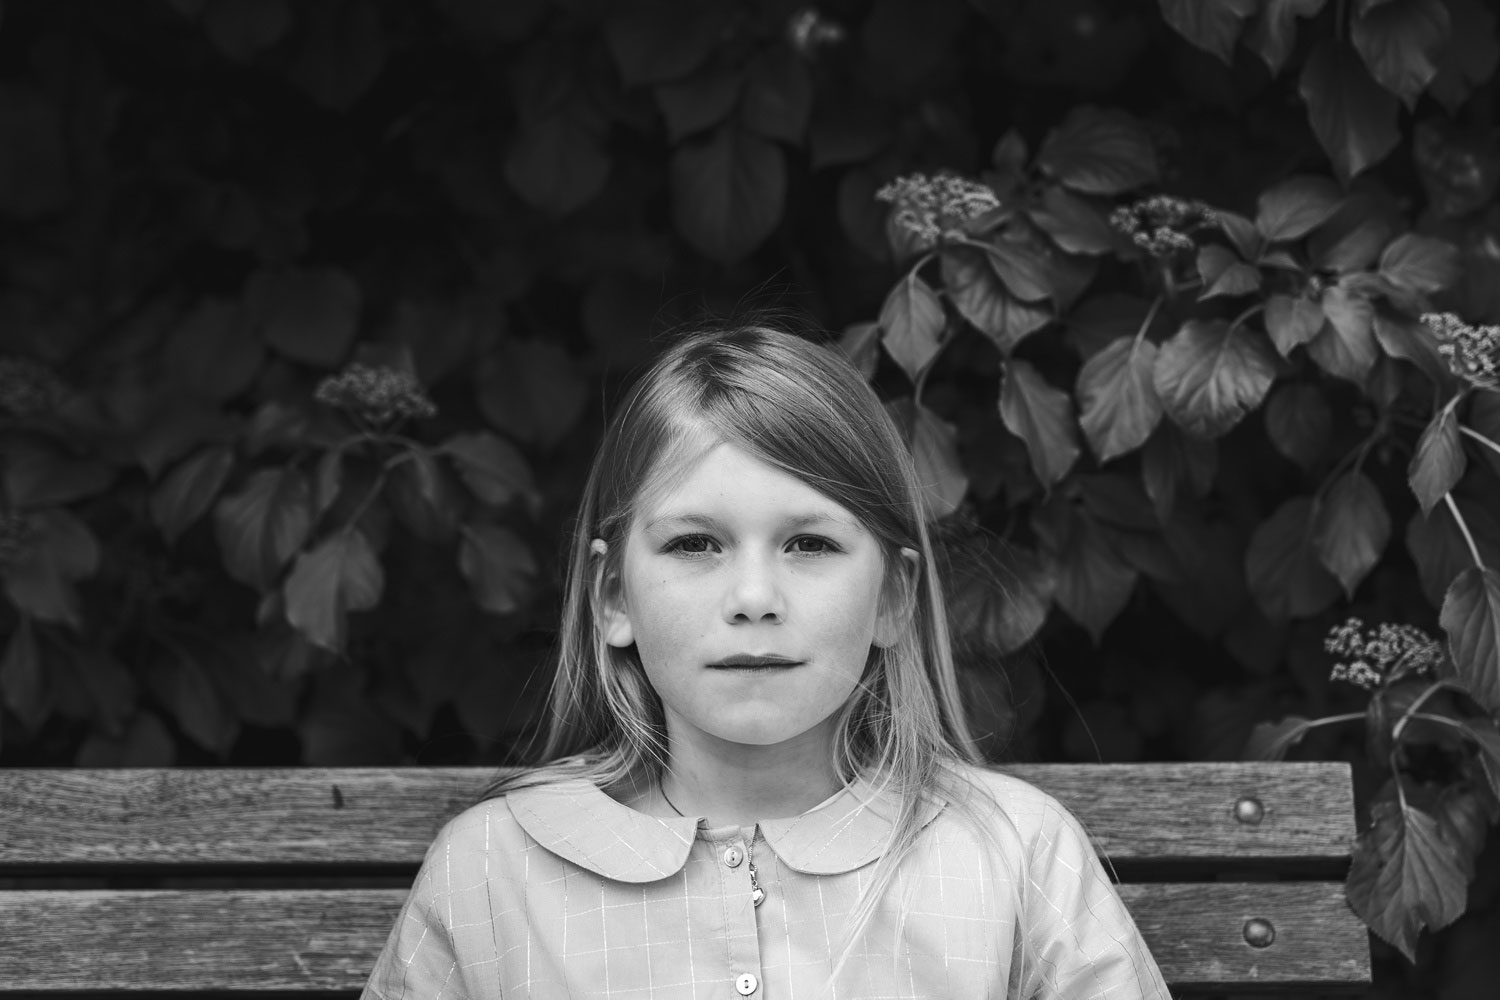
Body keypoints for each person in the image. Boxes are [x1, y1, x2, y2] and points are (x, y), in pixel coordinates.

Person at [361, 322, 1170, 999]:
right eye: (695, 543)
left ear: (893, 597)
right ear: (613, 598)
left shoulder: (1013, 856)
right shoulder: (492, 872)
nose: (754, 596)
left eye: (809, 543)